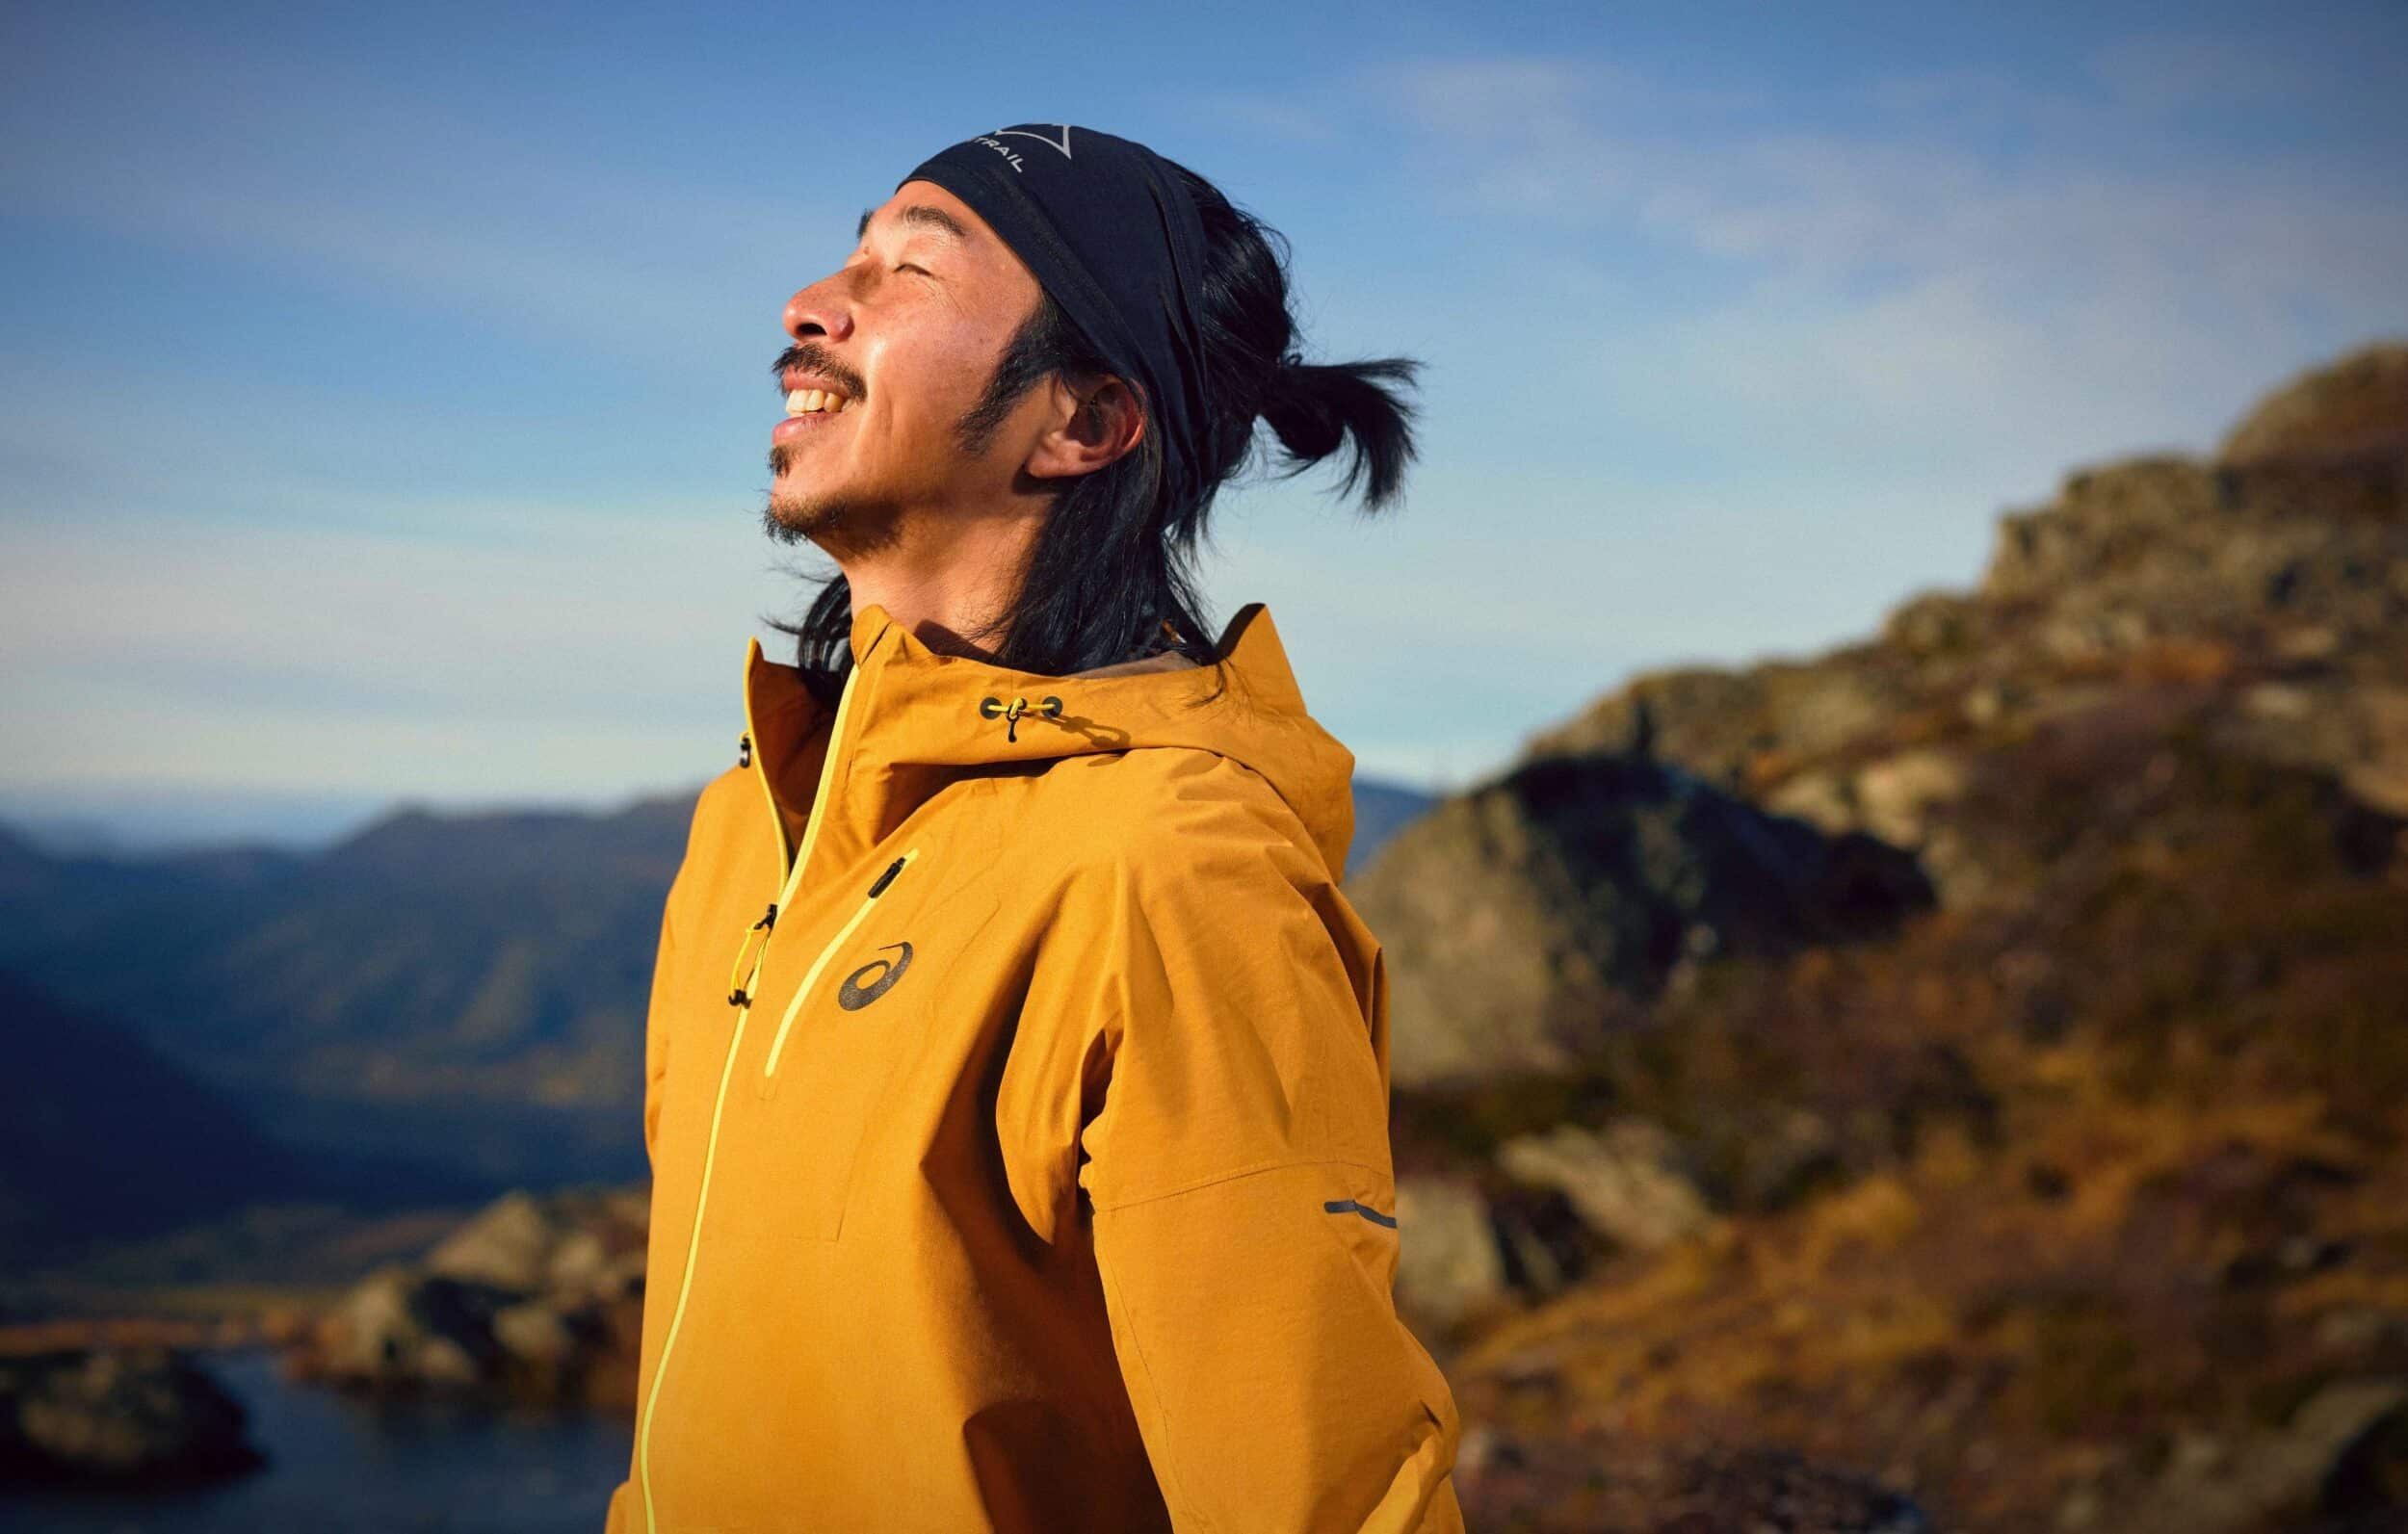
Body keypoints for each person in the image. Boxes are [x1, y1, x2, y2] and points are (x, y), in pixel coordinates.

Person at [602, 122, 1464, 1533]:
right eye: (850, 252)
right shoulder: (751, 826)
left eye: (909, 271)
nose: (809, 305)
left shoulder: (1170, 866)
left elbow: (1322, 1495)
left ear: (1084, 423)